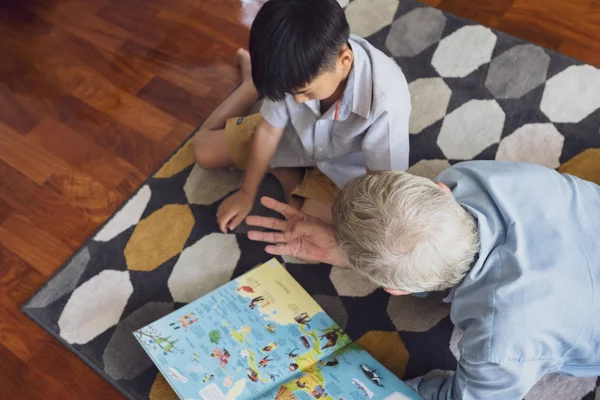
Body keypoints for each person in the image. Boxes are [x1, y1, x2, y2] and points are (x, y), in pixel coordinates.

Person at [245, 161, 600, 399]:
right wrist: (349, 249)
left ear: (398, 291)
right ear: (440, 191)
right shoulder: (474, 177)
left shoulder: (500, 342)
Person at [193, 0, 410, 232]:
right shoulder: (289, 67)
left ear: (344, 61)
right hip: (292, 139)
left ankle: (285, 173)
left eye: (305, 92)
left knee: (307, 237)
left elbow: (382, 184)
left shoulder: (386, 100)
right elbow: (268, 130)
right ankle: (250, 86)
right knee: (202, 152)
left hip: (341, 169)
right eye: (288, 93)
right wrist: (246, 193)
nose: (296, 100)